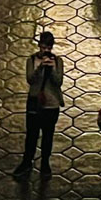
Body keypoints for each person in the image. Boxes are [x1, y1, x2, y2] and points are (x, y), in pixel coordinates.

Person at [13, 31, 64, 181]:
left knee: (48, 136)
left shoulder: (58, 61)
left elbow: (58, 81)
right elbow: (30, 79)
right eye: (43, 47)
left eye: (48, 47)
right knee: (32, 135)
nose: (45, 50)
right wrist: (40, 68)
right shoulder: (31, 60)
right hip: (35, 102)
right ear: (39, 45)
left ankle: (45, 163)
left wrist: (51, 69)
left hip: (51, 104)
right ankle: (27, 162)